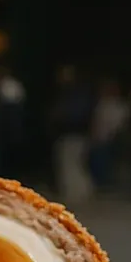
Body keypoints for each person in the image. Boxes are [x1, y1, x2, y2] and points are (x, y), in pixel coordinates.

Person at [50, 68, 95, 203]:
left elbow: (74, 114)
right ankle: (79, 192)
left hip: (74, 133)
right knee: (73, 163)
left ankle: (78, 193)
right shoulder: (74, 93)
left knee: (72, 163)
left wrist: (59, 117)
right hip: (73, 133)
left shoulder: (73, 94)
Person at [88, 79, 128, 193]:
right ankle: (100, 184)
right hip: (99, 137)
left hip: (112, 138)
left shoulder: (119, 106)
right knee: (97, 161)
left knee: (110, 162)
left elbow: (121, 123)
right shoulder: (101, 104)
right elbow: (96, 121)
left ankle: (107, 184)